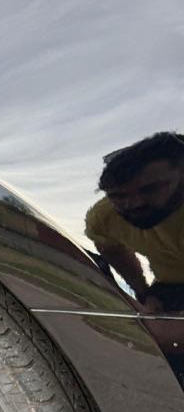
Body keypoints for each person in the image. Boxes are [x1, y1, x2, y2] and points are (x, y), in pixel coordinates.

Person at [85, 131, 184, 311]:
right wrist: (143, 293)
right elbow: (112, 250)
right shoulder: (104, 217)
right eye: (119, 195)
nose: (134, 204)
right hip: (170, 287)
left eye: (151, 189)